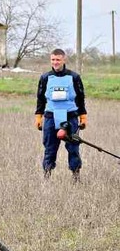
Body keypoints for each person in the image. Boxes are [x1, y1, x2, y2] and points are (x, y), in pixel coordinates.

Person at [34, 48, 87, 181]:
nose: (55, 62)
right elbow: (40, 99)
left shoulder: (74, 77)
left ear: (64, 60)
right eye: (53, 59)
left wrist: (83, 116)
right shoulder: (45, 78)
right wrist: (38, 117)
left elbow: (80, 98)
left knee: (73, 148)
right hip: (51, 116)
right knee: (49, 148)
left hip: (70, 116)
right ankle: (47, 175)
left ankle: (76, 176)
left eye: (58, 59)